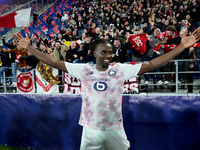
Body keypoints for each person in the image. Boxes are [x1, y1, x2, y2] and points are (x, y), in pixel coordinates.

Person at [12, 27, 200, 150]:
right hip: (90, 131)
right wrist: (30, 48)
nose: (108, 55)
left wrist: (181, 47)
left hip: (114, 129)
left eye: (110, 52)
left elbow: (151, 65)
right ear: (94, 54)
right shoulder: (84, 70)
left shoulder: (120, 70)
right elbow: (53, 61)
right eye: (104, 52)